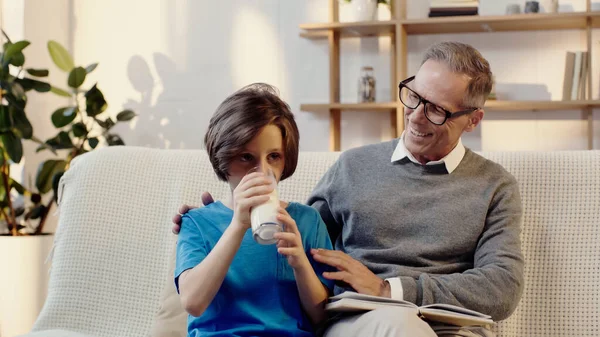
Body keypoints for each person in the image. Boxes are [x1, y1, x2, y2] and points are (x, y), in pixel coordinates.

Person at [173, 42, 524, 337]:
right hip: (361, 322)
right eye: (414, 97)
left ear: (473, 119)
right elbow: (296, 237)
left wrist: (390, 289)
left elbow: (502, 286)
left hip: (449, 328)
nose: (416, 116)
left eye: (436, 110)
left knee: (404, 322)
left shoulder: (495, 186)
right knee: (398, 324)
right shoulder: (352, 167)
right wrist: (225, 216)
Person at [175, 83, 334, 337]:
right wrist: (238, 225)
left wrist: (300, 263)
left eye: (274, 156)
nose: (262, 171)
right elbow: (193, 303)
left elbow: (321, 316)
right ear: (223, 159)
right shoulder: (196, 222)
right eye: (246, 157)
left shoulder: (306, 221)